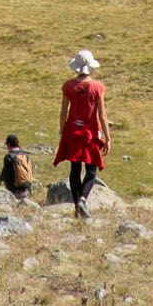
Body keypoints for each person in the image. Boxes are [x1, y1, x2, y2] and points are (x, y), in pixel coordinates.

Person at [54, 49, 109, 218]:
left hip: (72, 131)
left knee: (75, 169)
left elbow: (64, 112)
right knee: (91, 172)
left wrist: (62, 131)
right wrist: (108, 137)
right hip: (90, 134)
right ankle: (82, 200)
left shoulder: (68, 86)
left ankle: (77, 204)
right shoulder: (97, 87)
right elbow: (102, 114)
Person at [0, 134, 33, 200]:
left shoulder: (9, 157)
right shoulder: (25, 155)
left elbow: (6, 173)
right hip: (27, 187)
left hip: (15, 189)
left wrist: (1, 178)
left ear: (9, 144)